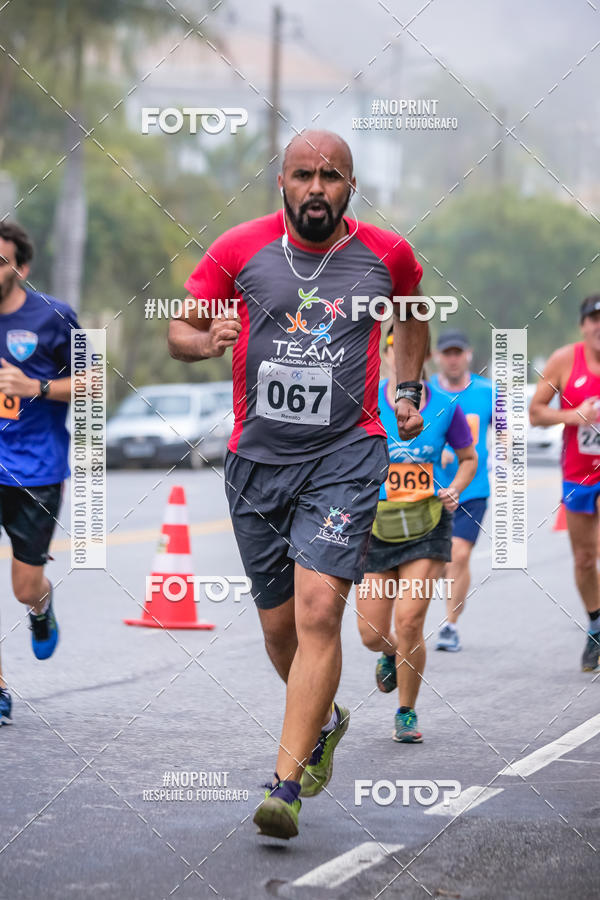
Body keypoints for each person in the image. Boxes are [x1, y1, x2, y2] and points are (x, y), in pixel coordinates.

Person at [168, 130, 429, 839]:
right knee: (280, 630)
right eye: (304, 175)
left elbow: (412, 315)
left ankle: (285, 784)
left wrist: (408, 385)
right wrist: (207, 339)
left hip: (347, 453)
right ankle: (323, 721)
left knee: (319, 612)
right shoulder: (237, 248)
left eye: (332, 176)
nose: (318, 187)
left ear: (351, 186)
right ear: (282, 181)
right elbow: (179, 332)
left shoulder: (387, 254)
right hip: (256, 462)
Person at [356, 328, 476, 741]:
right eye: (392, 348)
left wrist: (456, 486)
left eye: (409, 348)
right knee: (371, 633)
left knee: (409, 622)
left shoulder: (445, 407)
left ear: (420, 356)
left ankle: (406, 711)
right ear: (387, 354)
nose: (400, 354)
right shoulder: (367, 402)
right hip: (376, 526)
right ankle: (389, 653)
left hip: (426, 524)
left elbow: (468, 458)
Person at [0, 221, 79, 726]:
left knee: (24, 586)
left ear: (20, 268)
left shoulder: (56, 317)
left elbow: (94, 385)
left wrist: (36, 387)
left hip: (36, 469)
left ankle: (41, 606)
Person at [529, 295, 600, 672]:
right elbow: (536, 412)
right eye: (593, 319)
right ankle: (596, 623)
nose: (599, 325)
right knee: (585, 559)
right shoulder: (563, 361)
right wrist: (574, 416)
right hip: (578, 474)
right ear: (583, 326)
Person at [429, 330, 493, 652]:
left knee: (460, 553)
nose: (453, 359)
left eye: (458, 352)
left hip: (473, 489)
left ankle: (450, 626)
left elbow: (509, 432)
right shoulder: (426, 394)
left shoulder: (487, 392)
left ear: (468, 354)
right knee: (438, 561)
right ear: (439, 357)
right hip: (432, 489)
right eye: (447, 353)